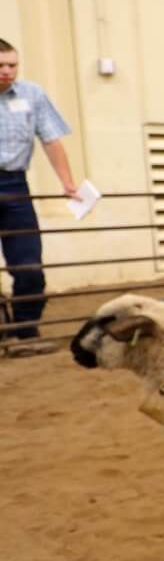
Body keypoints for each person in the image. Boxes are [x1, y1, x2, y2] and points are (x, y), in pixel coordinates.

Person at [0, 39, 78, 345]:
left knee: (30, 267)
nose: (7, 71)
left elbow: (51, 139)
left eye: (12, 65)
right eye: (1, 65)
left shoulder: (32, 94)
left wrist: (67, 182)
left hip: (16, 186)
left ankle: (26, 330)